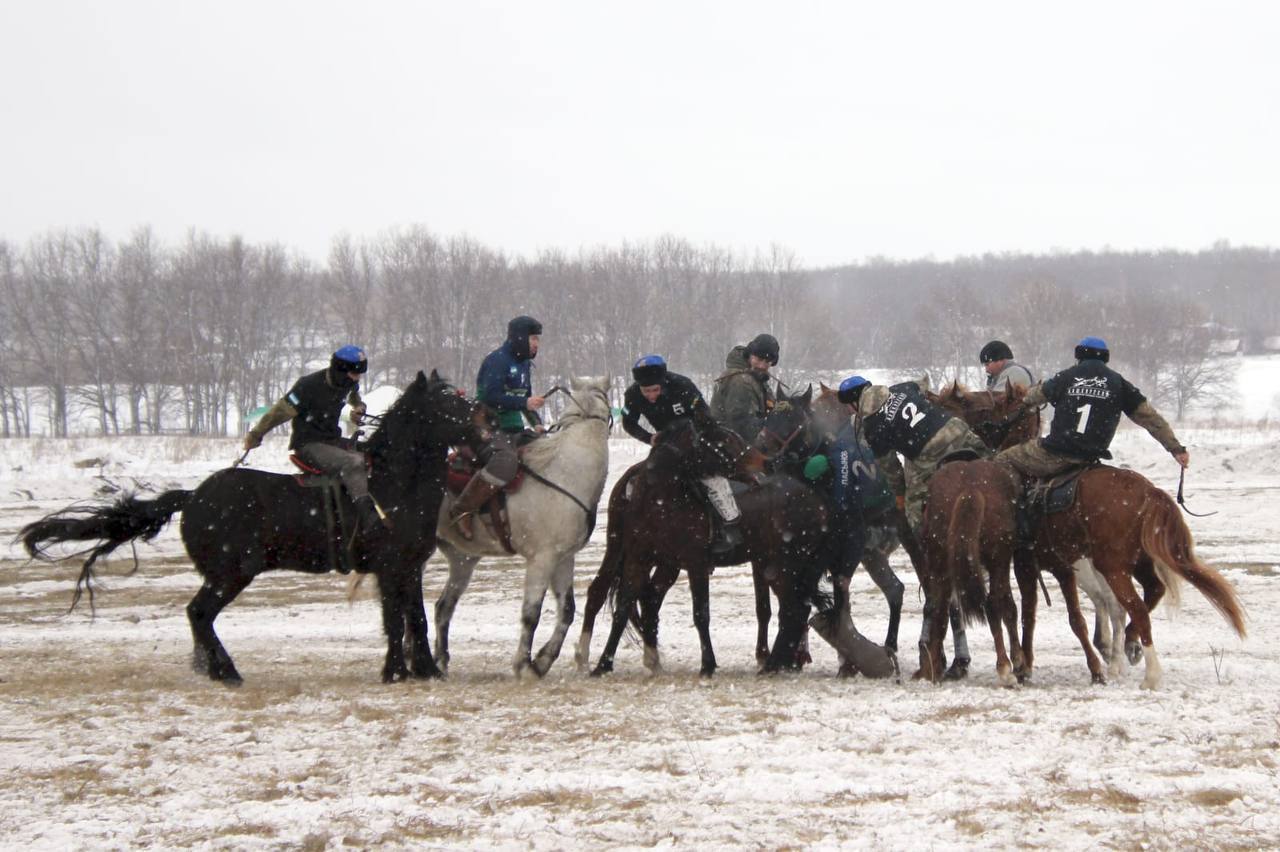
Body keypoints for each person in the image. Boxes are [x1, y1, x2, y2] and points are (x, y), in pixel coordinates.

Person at [995, 336, 1189, 484]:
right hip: (1090, 456)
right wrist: (1176, 449)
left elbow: (1029, 398)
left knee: (1003, 460)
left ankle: (1017, 514)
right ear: (1105, 357)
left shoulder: (1066, 377)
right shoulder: (1119, 384)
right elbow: (1151, 419)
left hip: (1054, 453)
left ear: (1079, 355)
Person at [243, 345, 381, 533]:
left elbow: (354, 396)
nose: (357, 378)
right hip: (309, 445)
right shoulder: (307, 386)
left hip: (332, 440)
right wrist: (255, 434)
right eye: (354, 373)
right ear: (339, 369)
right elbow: (279, 413)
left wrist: (358, 407)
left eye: (359, 374)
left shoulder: (347, 383)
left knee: (376, 452)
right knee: (354, 462)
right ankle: (368, 516)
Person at [835, 374, 989, 534]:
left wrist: (900, 496)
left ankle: (930, 545)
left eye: (847, 406)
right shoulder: (903, 387)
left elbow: (892, 470)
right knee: (995, 466)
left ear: (854, 403)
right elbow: (924, 385)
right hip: (959, 431)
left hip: (929, 454)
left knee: (914, 512)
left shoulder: (872, 428)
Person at [622, 354, 743, 553]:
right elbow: (628, 422)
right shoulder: (632, 394)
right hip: (664, 445)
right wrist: (648, 437)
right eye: (646, 391)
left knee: (714, 481)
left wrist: (695, 434)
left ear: (663, 382)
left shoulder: (682, 385)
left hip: (695, 439)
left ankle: (730, 526)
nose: (651, 396)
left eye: (655, 390)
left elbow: (704, 413)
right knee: (635, 483)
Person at [449, 315, 547, 539]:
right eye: (533, 338)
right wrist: (524, 403)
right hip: (489, 429)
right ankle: (462, 509)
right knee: (506, 462)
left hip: (514, 429)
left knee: (547, 450)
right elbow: (491, 397)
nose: (536, 344)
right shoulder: (497, 361)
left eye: (538, 340)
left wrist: (537, 423)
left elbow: (526, 399)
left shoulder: (524, 364)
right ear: (520, 338)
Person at [709, 333, 779, 442]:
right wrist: (773, 423)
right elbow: (741, 427)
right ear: (750, 355)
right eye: (759, 359)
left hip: (737, 446)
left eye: (767, 362)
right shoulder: (741, 382)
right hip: (732, 449)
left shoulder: (756, 377)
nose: (762, 365)